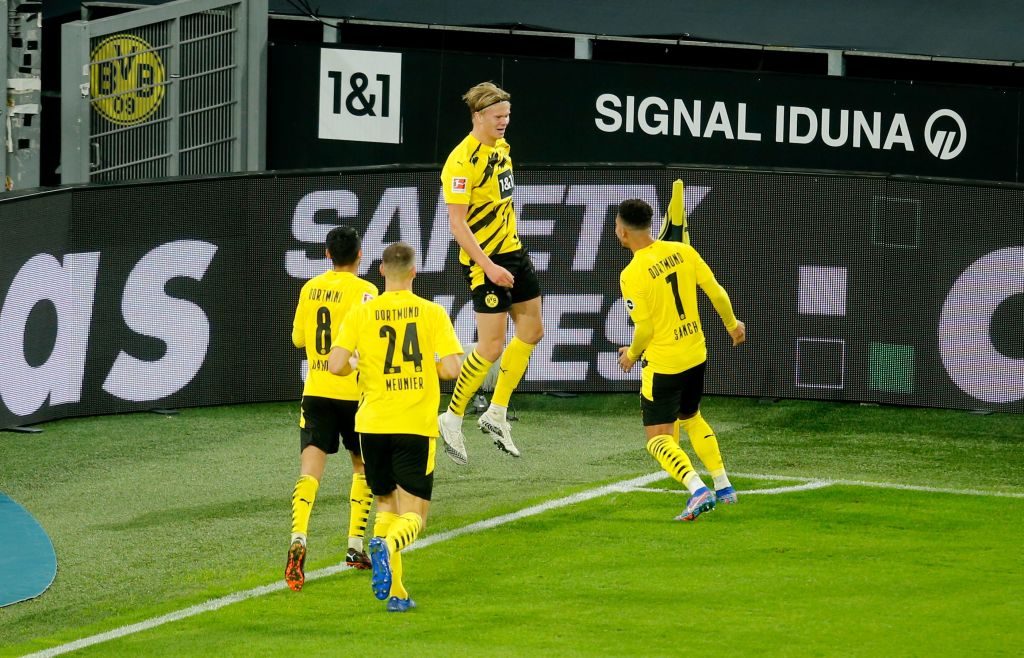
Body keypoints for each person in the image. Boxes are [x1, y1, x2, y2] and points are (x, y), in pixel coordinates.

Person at [328, 241, 463, 612]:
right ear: (414, 272)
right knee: (415, 517)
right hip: (414, 424)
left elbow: (335, 365)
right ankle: (387, 547)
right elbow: (453, 368)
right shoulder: (431, 312)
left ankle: (398, 594)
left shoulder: (361, 313)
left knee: (386, 504)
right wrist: (427, 368)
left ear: (382, 271)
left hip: (372, 425)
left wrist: (357, 364)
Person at [614, 198, 746, 521]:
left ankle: (697, 490)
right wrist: (732, 324)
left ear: (623, 232)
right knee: (691, 417)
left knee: (658, 439)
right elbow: (715, 290)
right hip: (696, 353)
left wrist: (631, 355)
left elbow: (645, 329)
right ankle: (723, 485)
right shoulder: (684, 251)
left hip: (664, 364)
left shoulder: (631, 273)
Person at [436, 81, 544, 464]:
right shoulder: (461, 162)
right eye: (498, 116)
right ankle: (452, 417)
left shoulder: (501, 149)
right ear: (478, 116)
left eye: (507, 116)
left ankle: (496, 413)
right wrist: (489, 266)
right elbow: (457, 225)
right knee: (491, 347)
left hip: (514, 251)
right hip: (485, 262)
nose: (504, 122)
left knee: (532, 330)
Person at [285, 226, 378, 592]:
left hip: (317, 391)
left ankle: (299, 537)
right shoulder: (367, 291)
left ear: (327, 254)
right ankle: (355, 545)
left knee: (310, 472)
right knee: (362, 466)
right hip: (354, 394)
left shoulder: (310, 288)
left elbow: (297, 339)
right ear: (360, 254)